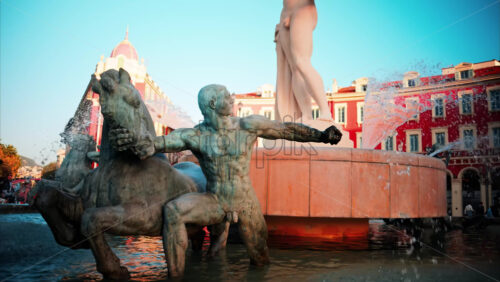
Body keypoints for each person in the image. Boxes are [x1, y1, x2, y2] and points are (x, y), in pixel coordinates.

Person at [111, 84, 342, 277]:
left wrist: (321, 136)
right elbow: (158, 143)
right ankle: (176, 276)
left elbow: (285, 130)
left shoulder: (247, 125)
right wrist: (138, 141)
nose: (232, 98)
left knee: (260, 257)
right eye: (226, 95)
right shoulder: (196, 135)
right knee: (173, 211)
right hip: (215, 200)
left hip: (245, 201)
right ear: (213, 104)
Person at [274, 0, 331, 121]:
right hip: (285, 12)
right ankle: (306, 115)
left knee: (302, 62)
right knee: (294, 68)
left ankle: (325, 111)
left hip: (302, 7)